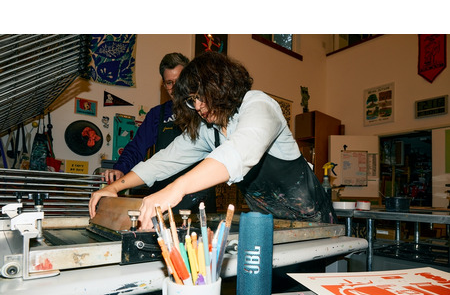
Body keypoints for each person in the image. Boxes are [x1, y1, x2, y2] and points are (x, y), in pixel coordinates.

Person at [89, 51, 337, 229]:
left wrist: (174, 190)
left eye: (200, 96)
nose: (197, 106)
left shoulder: (259, 105)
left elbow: (237, 153)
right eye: (192, 100)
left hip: (316, 224)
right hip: (271, 226)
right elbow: (164, 160)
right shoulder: (210, 130)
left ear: (221, 84)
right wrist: (115, 186)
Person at [102, 52, 216, 211]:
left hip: (199, 199)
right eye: (170, 83)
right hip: (162, 196)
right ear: (164, 85)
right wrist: (120, 170)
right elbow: (141, 149)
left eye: (180, 80)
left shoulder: (204, 111)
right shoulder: (157, 114)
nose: (175, 87)